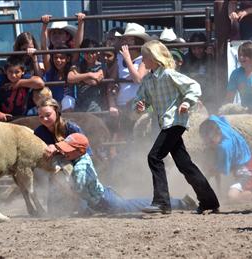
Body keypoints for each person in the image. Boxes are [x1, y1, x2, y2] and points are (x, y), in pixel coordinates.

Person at [134, 40, 220, 214]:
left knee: (154, 157)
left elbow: (194, 86)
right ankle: (209, 201)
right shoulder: (148, 80)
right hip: (167, 123)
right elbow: (141, 98)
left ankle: (162, 202)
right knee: (184, 164)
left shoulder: (169, 74)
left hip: (174, 122)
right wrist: (139, 105)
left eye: (145, 57)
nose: (143, 61)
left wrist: (187, 102)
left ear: (154, 58)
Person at [52, 132, 197, 215]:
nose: (64, 152)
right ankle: (171, 201)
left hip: (105, 201)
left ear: (79, 151)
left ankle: (179, 202)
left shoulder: (79, 168)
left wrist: (62, 185)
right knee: (131, 204)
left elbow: (77, 192)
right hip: (103, 195)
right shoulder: (81, 157)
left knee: (132, 206)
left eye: (67, 149)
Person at [199, 115, 252, 202]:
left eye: (210, 140)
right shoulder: (223, 127)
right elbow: (215, 118)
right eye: (205, 139)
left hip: (249, 170)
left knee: (232, 197)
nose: (208, 142)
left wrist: (205, 177)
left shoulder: (224, 147)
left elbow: (221, 170)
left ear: (217, 133)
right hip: (247, 163)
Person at [112, 23, 151, 140]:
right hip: (121, 106)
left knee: (138, 137)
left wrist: (128, 59)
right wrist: (112, 103)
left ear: (138, 41)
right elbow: (111, 81)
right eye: (124, 39)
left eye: (129, 39)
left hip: (138, 107)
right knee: (123, 139)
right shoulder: (119, 58)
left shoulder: (145, 59)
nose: (125, 42)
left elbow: (138, 78)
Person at [0, 56, 45, 121]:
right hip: (4, 117)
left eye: (17, 72)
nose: (13, 75)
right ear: (5, 71)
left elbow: (40, 83)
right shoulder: (1, 79)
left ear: (23, 72)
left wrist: (19, 83)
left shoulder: (24, 77)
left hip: (22, 117)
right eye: (10, 72)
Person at [180, 32, 215, 112]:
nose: (197, 51)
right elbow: (183, 78)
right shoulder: (186, 59)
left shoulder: (211, 56)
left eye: (200, 48)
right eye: (194, 49)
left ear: (205, 47)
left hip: (209, 95)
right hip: (192, 95)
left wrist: (213, 56)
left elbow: (216, 73)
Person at [67, 39, 105, 112]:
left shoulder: (102, 66)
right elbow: (70, 78)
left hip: (95, 108)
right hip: (80, 108)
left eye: (93, 52)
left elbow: (94, 81)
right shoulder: (79, 65)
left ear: (97, 53)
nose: (90, 56)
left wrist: (78, 76)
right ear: (83, 53)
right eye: (87, 53)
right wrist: (90, 74)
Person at [225, 41, 252, 113]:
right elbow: (229, 99)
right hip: (244, 112)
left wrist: (251, 118)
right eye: (239, 55)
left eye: (245, 55)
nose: (241, 58)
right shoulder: (235, 74)